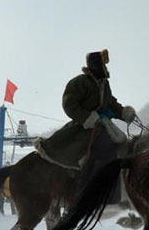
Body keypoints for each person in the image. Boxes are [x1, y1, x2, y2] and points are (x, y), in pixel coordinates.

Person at [35, 49, 136, 188]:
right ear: (96, 65)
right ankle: (84, 182)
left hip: (102, 124)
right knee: (90, 153)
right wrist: (88, 118)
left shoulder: (104, 84)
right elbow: (69, 104)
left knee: (118, 145)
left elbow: (111, 103)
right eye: (103, 65)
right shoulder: (80, 82)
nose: (106, 68)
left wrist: (124, 113)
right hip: (83, 126)